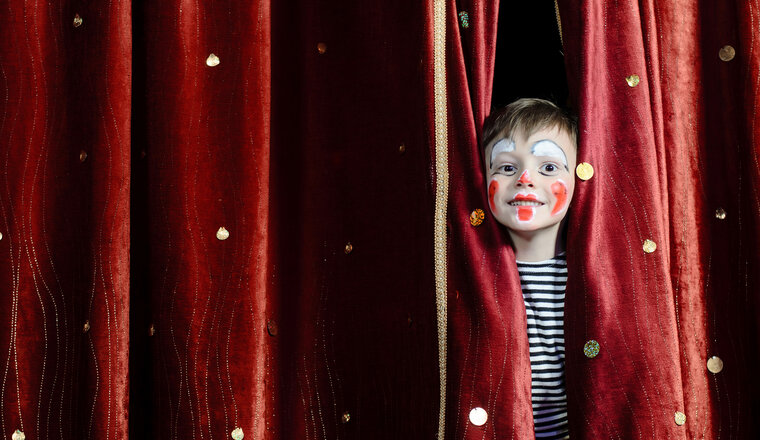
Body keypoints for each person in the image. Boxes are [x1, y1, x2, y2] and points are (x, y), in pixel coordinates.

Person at [481, 98, 578, 439]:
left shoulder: (593, 278)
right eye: (507, 168)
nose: (525, 179)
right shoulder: (472, 276)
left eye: (548, 167)